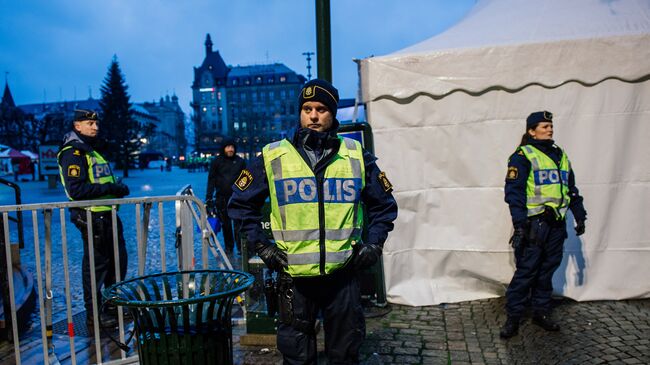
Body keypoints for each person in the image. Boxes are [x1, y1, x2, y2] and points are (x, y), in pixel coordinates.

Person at [228, 79, 398, 364]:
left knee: (345, 354)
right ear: (300, 112)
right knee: (296, 357)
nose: (314, 115)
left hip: (342, 276)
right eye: (307, 108)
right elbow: (240, 204)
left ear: (332, 114)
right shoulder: (273, 156)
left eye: (321, 109)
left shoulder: (356, 156)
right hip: (294, 279)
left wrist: (374, 245)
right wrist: (263, 247)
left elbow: (384, 206)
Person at [500, 110, 587, 338]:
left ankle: (541, 312)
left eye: (550, 126)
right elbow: (514, 194)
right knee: (526, 271)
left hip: (556, 225)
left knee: (547, 270)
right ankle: (513, 317)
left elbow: (571, 189)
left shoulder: (560, 155)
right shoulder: (522, 156)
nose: (549, 129)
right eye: (544, 126)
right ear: (531, 131)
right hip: (535, 225)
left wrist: (579, 215)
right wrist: (519, 225)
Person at [57, 109, 130, 328]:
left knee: (118, 262)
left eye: (96, 123)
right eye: (89, 123)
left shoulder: (92, 151)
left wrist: (116, 188)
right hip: (91, 216)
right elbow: (76, 190)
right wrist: (111, 187)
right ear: (77, 126)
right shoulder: (73, 153)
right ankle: (95, 314)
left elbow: (99, 178)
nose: (95, 127)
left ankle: (112, 305)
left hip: (107, 214)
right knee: (96, 267)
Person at [205, 140, 246, 253]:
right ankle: (229, 247)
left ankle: (240, 247)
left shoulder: (240, 161)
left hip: (237, 198)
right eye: (227, 147)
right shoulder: (216, 162)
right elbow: (211, 180)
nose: (230, 149)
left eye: (232, 147)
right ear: (223, 148)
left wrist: (244, 194)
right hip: (221, 198)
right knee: (226, 225)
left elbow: (246, 179)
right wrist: (208, 197)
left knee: (238, 224)